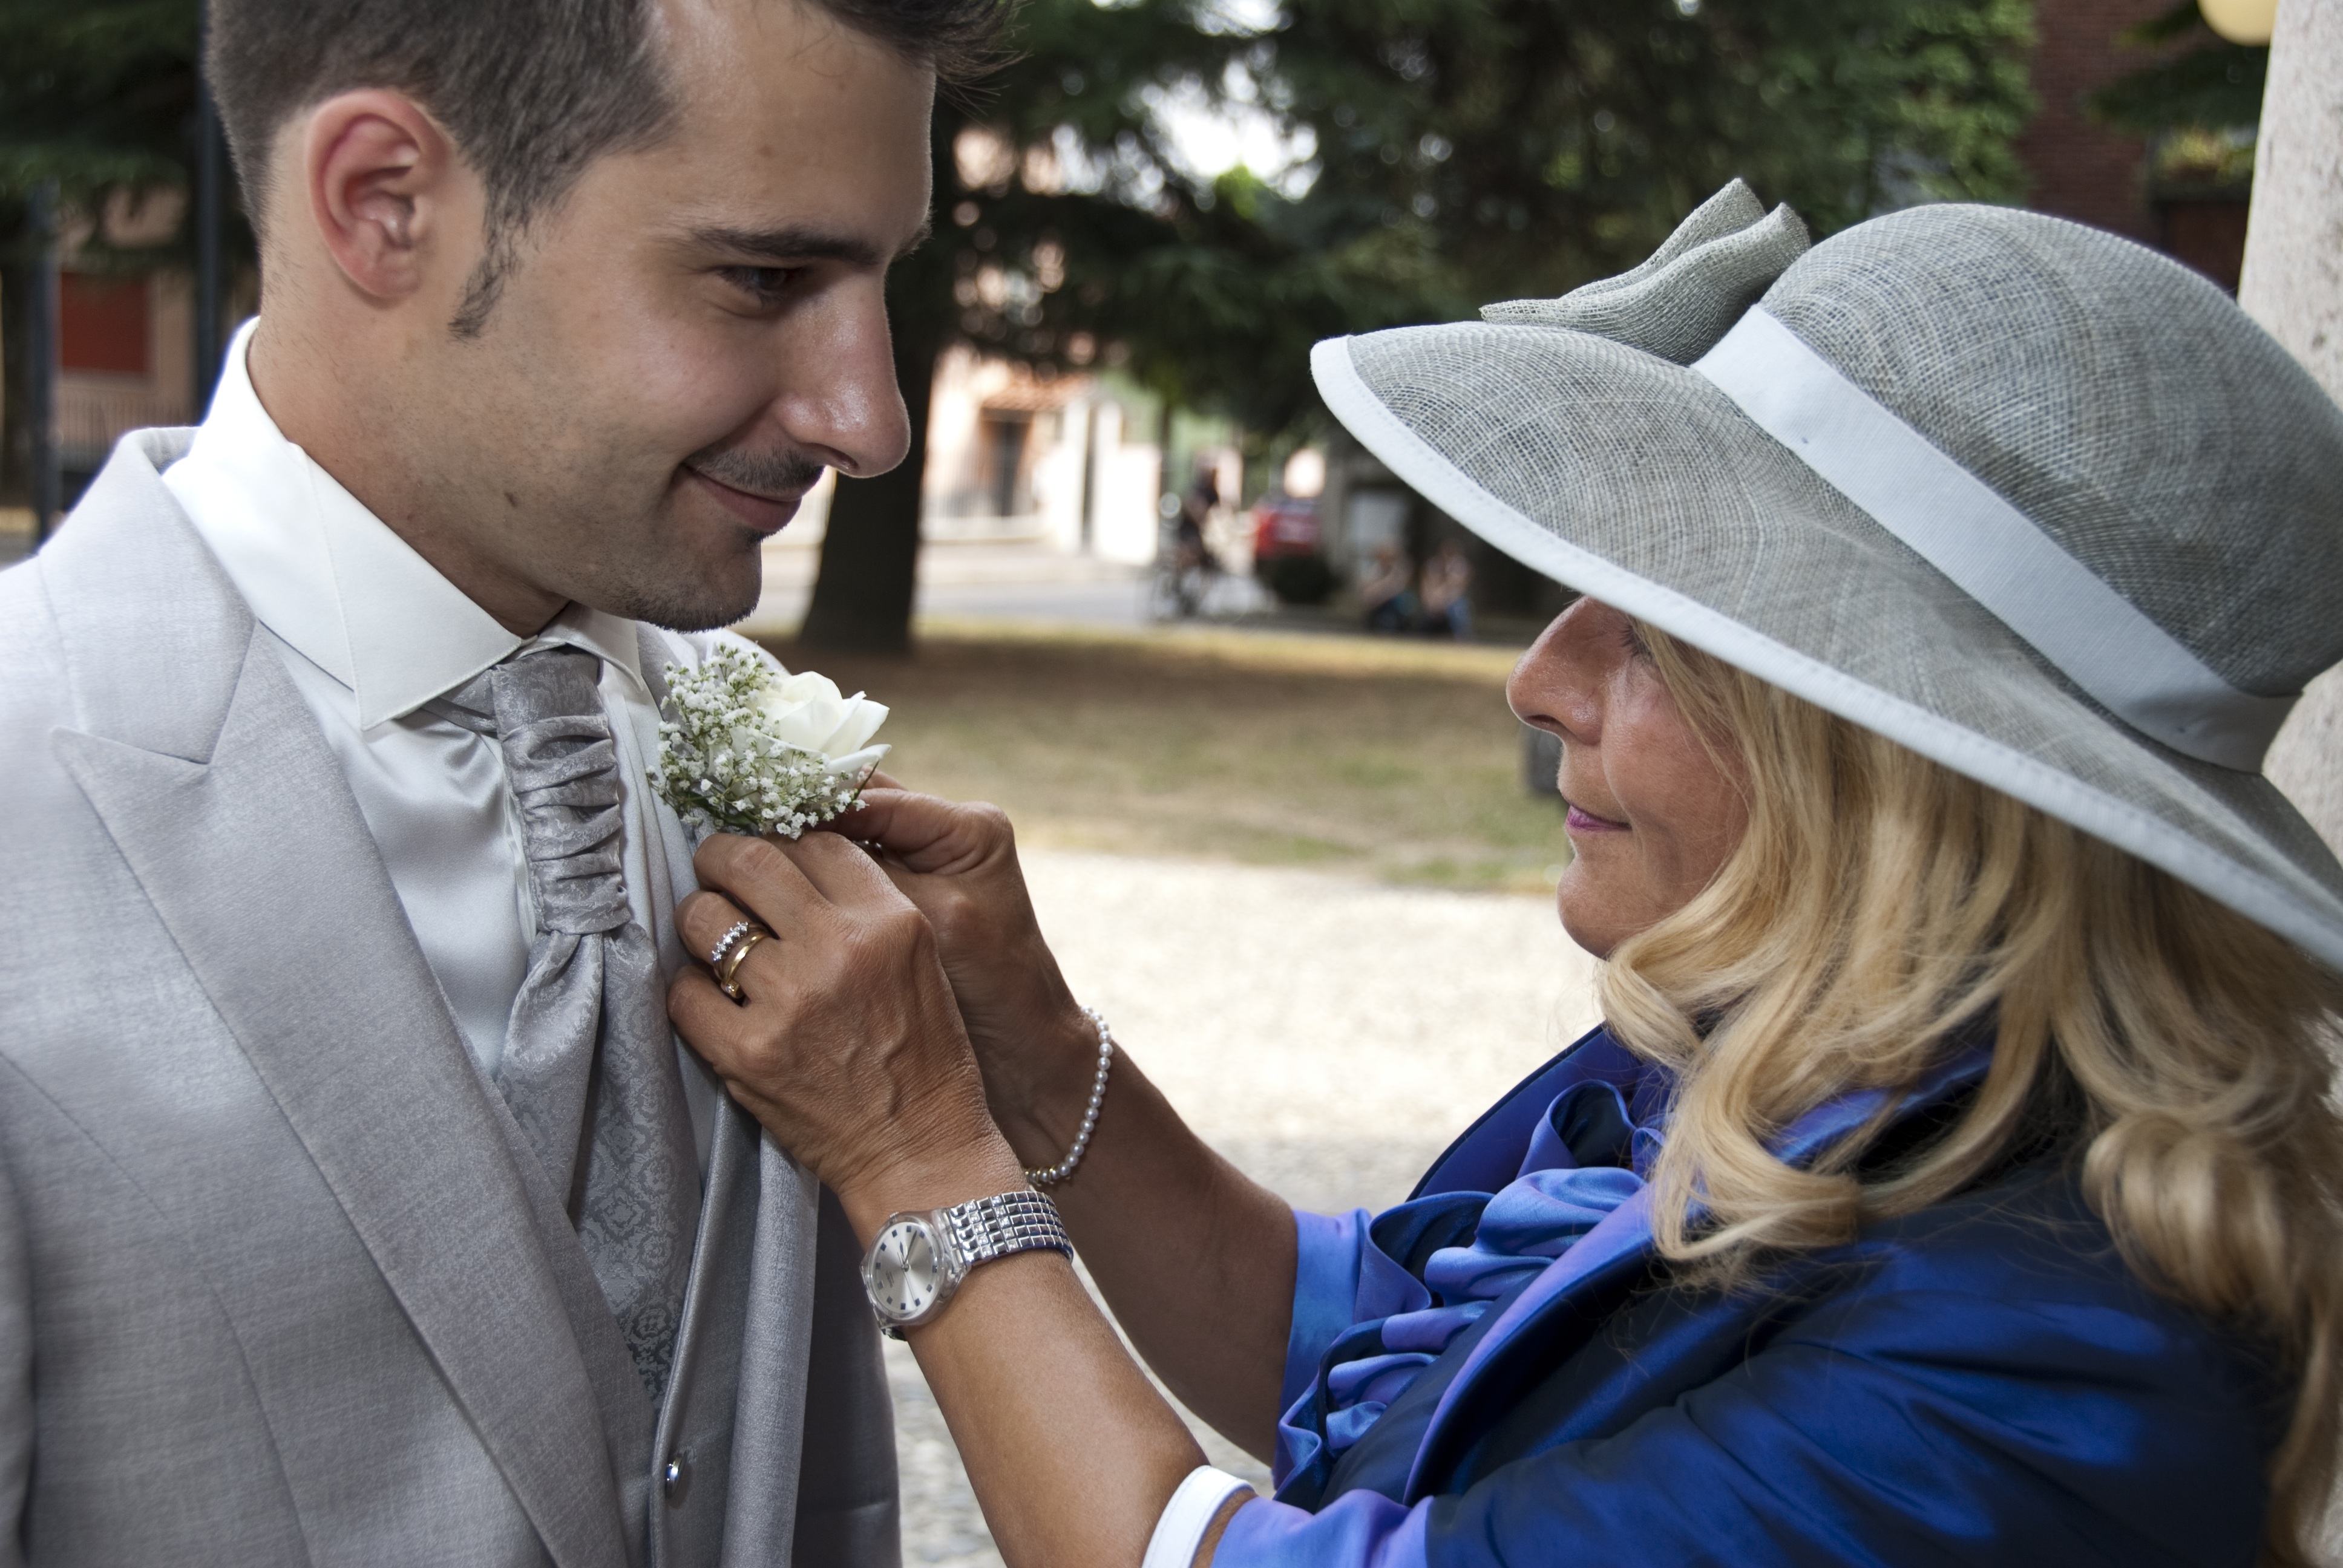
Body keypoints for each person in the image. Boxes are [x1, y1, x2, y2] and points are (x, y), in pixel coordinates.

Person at [669, 181, 2343, 1566]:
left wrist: (920, 1160)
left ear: (1896, 769)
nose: (1540, 682)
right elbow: (1348, 1352)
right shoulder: (1837, 1062)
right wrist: (1023, 1051)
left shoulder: (2043, 1346)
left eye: (1662, 633)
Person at [0, 0, 1006, 1560]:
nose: (866, 422)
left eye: (886, 281)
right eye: (764, 278)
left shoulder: (728, 751)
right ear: (383, 204)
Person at [1417, 538, 1473, 640]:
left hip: (1453, 599)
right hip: (1434, 599)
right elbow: (1427, 584)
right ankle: (1420, 638)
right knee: (1424, 611)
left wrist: (1443, 601)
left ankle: (1463, 638)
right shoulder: (1433, 564)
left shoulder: (1461, 566)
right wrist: (1430, 600)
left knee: (1459, 609)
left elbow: (1458, 587)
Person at [1358, 541, 1417, 633]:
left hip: (1395, 610)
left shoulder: (1400, 571)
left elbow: (1401, 592)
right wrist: (1387, 582)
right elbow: (1368, 596)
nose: (1389, 560)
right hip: (1378, 609)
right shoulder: (1374, 571)